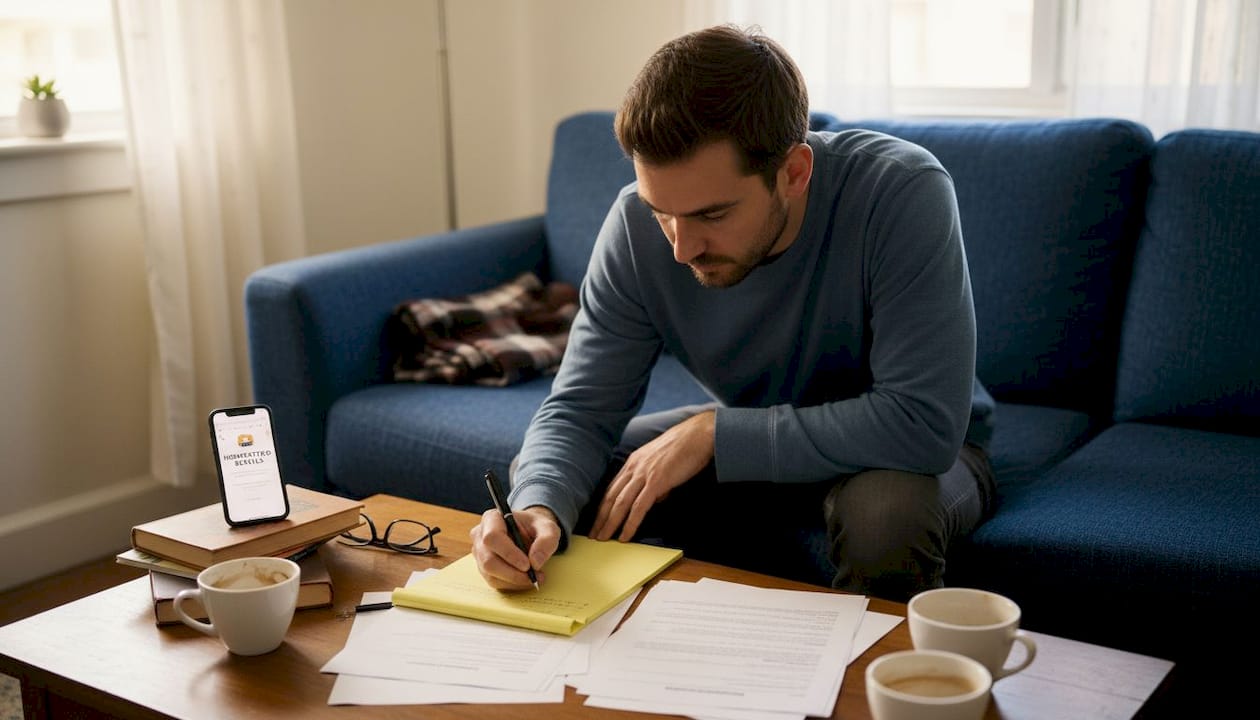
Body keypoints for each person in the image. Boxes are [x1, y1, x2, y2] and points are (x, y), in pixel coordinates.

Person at [470, 24, 995, 602]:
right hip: (756, 428)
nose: (680, 248)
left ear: (794, 173)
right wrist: (534, 507)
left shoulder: (900, 191)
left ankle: (868, 692)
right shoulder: (635, 227)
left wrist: (716, 434)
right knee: (572, 483)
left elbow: (921, 423)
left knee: (885, 517)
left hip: (907, 450)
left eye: (712, 216)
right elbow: (578, 410)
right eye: (660, 212)